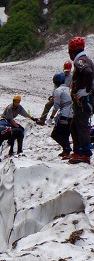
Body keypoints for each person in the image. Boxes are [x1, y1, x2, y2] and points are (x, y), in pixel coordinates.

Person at [66, 36, 94, 165]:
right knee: (74, 125)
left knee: (82, 126)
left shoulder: (80, 61)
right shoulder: (87, 59)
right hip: (85, 101)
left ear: (72, 52)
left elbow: (88, 73)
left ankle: (85, 154)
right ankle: (78, 150)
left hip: (83, 101)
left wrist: (86, 90)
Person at [36, 62, 73, 126]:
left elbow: (70, 87)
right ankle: (42, 120)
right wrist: (52, 95)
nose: (67, 72)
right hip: (57, 94)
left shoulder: (71, 77)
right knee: (48, 105)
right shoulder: (60, 75)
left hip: (64, 95)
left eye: (68, 71)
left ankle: (53, 118)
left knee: (60, 107)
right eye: (65, 70)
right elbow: (55, 87)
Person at [50, 72, 73, 158]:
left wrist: (51, 117)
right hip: (71, 113)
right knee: (65, 133)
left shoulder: (57, 90)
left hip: (64, 113)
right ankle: (66, 151)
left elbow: (56, 106)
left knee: (55, 134)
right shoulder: (68, 88)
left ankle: (67, 148)